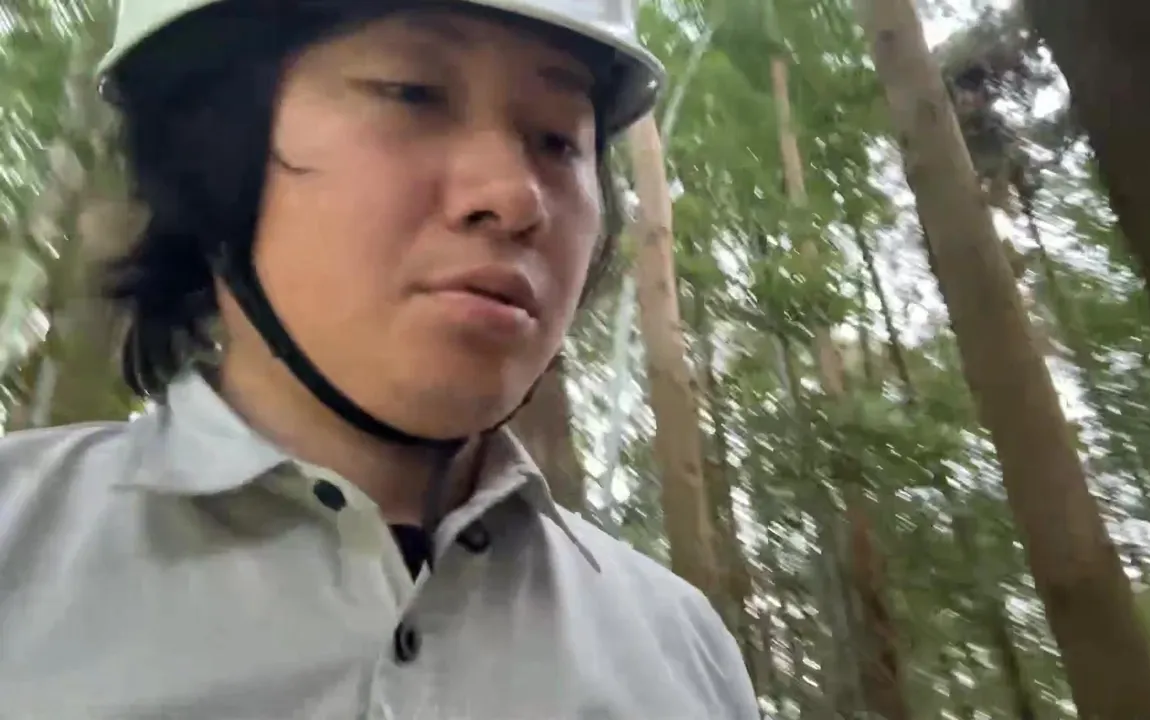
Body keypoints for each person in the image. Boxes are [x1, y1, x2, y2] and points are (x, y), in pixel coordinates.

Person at [0, 0, 760, 717]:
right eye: (412, 94)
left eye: (560, 140)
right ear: (209, 157)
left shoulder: (679, 653)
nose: (515, 196)